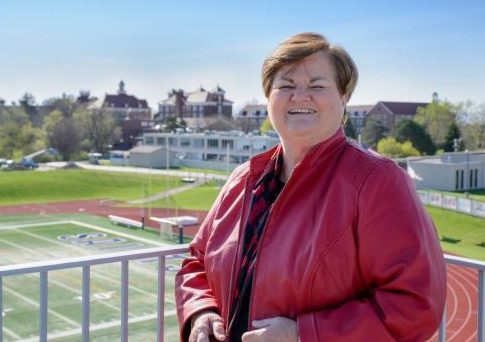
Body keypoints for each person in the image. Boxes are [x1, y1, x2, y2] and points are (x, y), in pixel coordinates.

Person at [175, 32, 447, 342]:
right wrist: (201, 311)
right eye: (286, 86)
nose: (299, 96)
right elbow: (196, 262)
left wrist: (302, 335)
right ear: (269, 98)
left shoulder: (377, 182)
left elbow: (414, 306)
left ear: (343, 98)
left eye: (317, 86)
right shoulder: (244, 179)